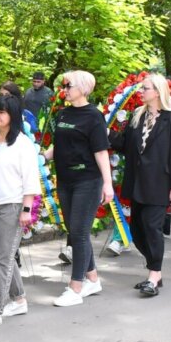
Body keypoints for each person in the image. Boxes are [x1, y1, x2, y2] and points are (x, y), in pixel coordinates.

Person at [108, 73, 171, 297]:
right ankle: (154, 269)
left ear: (158, 92)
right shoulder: (138, 115)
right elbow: (125, 144)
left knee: (152, 227)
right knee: (137, 229)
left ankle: (154, 275)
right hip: (137, 182)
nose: (141, 92)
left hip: (159, 183)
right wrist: (105, 132)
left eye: (145, 88)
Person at [44, 70, 113, 307]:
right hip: (65, 180)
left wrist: (107, 184)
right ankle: (93, 278)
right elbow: (59, 145)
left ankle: (76, 287)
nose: (64, 89)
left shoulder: (94, 116)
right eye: (63, 85)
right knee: (74, 230)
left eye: (68, 85)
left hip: (87, 180)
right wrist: (42, 157)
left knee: (79, 232)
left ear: (83, 88)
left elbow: (101, 151)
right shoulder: (63, 113)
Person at [0, 95, 40, 327]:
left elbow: (30, 179)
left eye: (2, 112)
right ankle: (19, 299)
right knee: (0, 256)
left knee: (2, 258)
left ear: (13, 115)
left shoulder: (22, 144)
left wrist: (26, 209)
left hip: (12, 205)